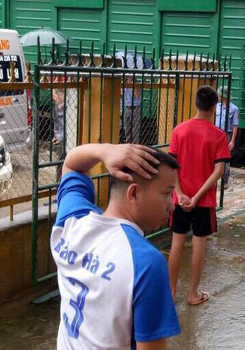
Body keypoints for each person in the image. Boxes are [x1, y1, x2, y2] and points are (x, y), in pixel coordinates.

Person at [52, 143, 181, 349]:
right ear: (134, 194)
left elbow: (71, 165)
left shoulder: (71, 222)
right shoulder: (146, 263)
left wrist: (105, 151)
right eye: (166, 193)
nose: (172, 204)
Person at [168, 85, 231, 306]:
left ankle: (171, 293)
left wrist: (180, 193)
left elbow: (172, 165)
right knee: (198, 244)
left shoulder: (179, 130)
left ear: (195, 103)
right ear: (214, 107)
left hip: (180, 200)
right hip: (203, 201)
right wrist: (196, 197)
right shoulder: (218, 136)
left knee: (176, 242)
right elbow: (219, 171)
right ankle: (193, 294)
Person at [214, 85, 239, 188]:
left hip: (226, 135)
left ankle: (225, 181)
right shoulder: (217, 106)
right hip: (216, 133)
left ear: (222, 95)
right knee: (213, 157)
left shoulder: (234, 109)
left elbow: (235, 126)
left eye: (219, 94)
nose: (218, 95)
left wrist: (232, 141)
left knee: (225, 158)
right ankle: (214, 180)